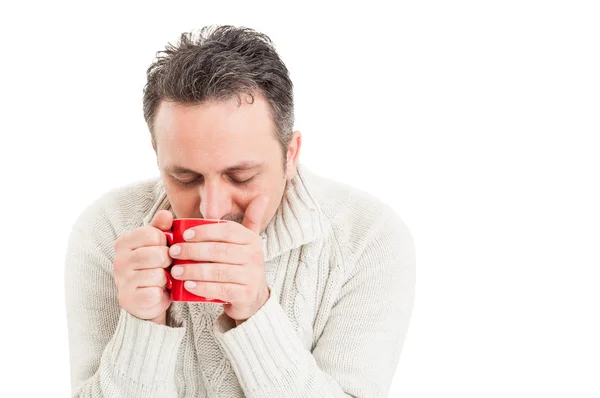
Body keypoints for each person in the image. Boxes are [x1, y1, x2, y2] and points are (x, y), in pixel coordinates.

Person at [64, 25, 416, 398]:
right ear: (157, 153)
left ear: (291, 154)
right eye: (185, 177)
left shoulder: (367, 238)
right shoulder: (108, 230)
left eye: (241, 176)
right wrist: (143, 325)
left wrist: (255, 313)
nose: (212, 209)